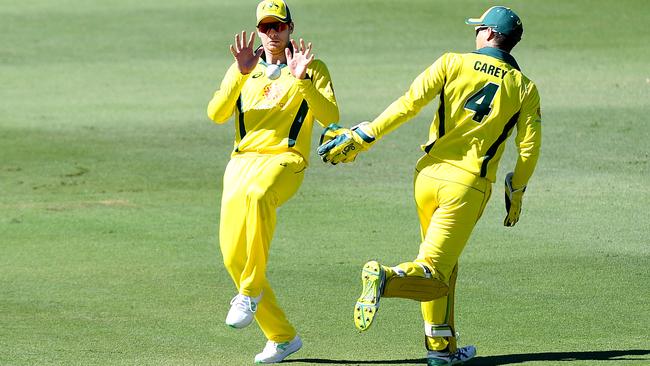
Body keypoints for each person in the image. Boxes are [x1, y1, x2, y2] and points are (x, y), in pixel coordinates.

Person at [318, 6, 541, 366]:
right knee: (434, 273)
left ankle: (441, 348)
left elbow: (409, 104)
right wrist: (516, 190)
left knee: (446, 266)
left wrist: (364, 136)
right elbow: (528, 150)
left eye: (478, 29)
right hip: (467, 187)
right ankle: (386, 280)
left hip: (427, 178)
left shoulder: (451, 62)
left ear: (486, 33)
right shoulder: (525, 88)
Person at [206, 0, 339, 363]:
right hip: (241, 163)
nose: (272, 34)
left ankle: (249, 292)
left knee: (261, 194)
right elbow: (216, 114)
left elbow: (330, 116)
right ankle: (283, 337)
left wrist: (303, 81)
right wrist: (239, 72)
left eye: (278, 26)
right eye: (265, 27)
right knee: (233, 256)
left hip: (286, 160)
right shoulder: (244, 68)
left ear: (290, 28)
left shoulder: (313, 67)